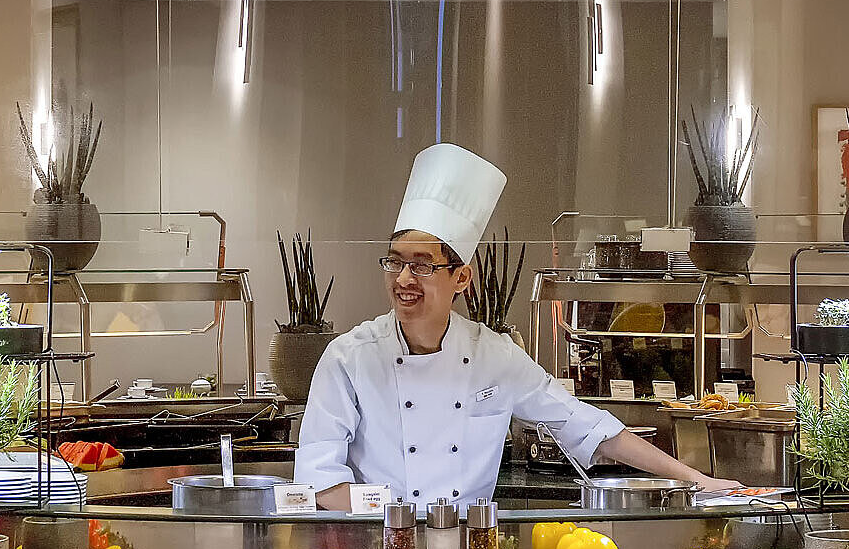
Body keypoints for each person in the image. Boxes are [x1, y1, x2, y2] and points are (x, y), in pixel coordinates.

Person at [294, 143, 739, 509]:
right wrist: (400, 517)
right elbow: (319, 484)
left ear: (462, 278)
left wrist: (695, 479)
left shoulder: (494, 354)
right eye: (394, 262)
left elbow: (587, 426)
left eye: (423, 265)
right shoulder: (348, 357)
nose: (404, 279)